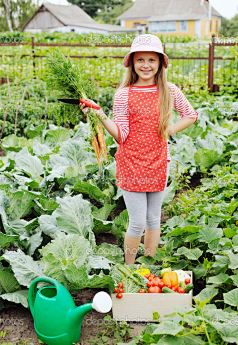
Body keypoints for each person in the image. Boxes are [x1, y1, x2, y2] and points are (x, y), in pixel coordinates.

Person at [79, 34, 198, 265]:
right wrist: (100, 115)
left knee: (153, 220)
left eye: (151, 60)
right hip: (131, 163)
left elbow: (191, 115)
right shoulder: (124, 94)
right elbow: (121, 135)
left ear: (160, 63)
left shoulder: (169, 90)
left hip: (158, 162)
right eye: (140, 60)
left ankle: (149, 266)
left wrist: (169, 131)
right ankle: (130, 269)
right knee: (136, 223)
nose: (146, 65)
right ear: (132, 63)